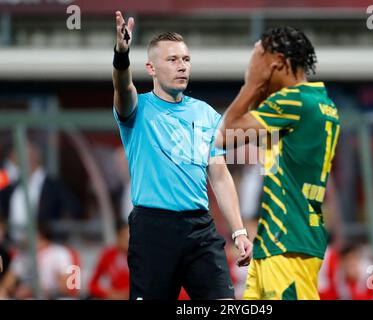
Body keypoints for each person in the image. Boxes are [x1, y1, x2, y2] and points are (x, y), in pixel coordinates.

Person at [112, 11, 252, 300]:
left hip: (200, 229)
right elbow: (122, 86)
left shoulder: (205, 114)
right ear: (151, 68)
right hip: (152, 229)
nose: (182, 66)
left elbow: (220, 176)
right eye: (172, 60)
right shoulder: (137, 109)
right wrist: (121, 55)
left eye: (186, 60)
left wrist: (238, 231)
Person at [216, 26, 340, 300]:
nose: (252, 67)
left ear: (278, 63)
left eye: (257, 61)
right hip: (280, 242)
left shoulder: (293, 100)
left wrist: (252, 82)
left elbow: (225, 135)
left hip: (286, 244)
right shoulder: (321, 103)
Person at [89, 220, 129, 300]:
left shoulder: (139, 257)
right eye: (124, 236)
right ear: (118, 236)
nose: (128, 240)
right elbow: (92, 284)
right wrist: (108, 293)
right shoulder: (108, 255)